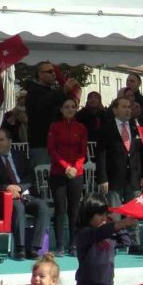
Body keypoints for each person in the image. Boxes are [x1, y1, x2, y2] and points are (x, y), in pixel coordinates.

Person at [0, 128, 50, 260]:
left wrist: (18, 187)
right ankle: (20, 248)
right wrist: (8, 188)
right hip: (5, 197)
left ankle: (34, 248)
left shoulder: (20, 156)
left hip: (24, 193)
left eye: (1, 140)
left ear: (9, 141)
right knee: (18, 207)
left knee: (42, 206)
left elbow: (30, 177)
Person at [96, 97, 143, 255]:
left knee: (134, 212)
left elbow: (142, 153)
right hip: (114, 177)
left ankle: (134, 243)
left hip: (133, 177)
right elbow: (101, 156)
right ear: (114, 109)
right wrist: (103, 178)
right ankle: (115, 242)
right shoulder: (106, 129)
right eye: (124, 107)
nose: (128, 110)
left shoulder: (136, 128)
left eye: (129, 107)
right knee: (115, 212)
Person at [46, 97, 87, 255]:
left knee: (74, 210)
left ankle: (74, 244)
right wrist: (66, 167)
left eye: (73, 107)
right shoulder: (54, 127)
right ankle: (60, 246)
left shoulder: (81, 128)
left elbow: (83, 151)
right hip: (58, 172)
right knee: (60, 209)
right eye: (67, 107)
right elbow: (52, 150)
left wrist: (75, 168)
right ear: (62, 110)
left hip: (77, 173)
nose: (70, 109)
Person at [25, 61, 69, 164]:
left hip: (54, 144)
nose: (54, 74)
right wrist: (63, 91)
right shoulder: (33, 91)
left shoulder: (48, 91)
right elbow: (46, 103)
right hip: (41, 145)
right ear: (40, 74)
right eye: (49, 71)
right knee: (43, 177)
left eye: (54, 71)